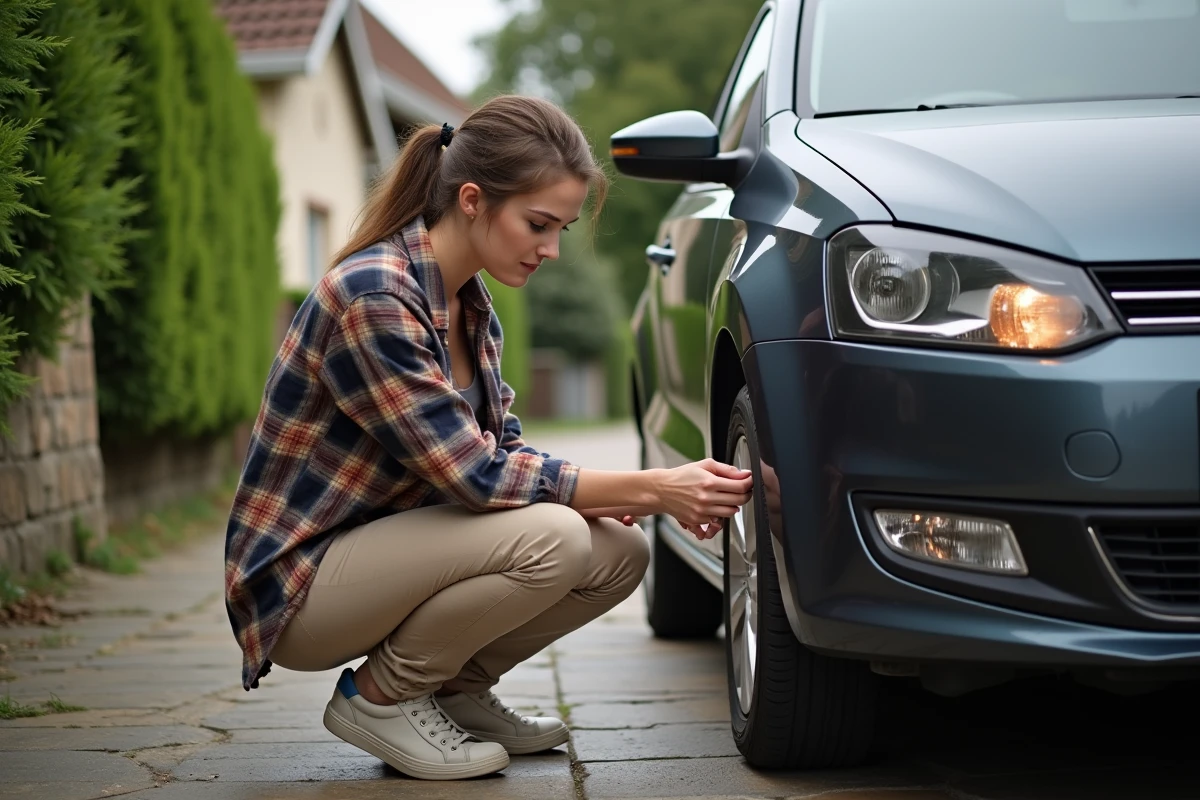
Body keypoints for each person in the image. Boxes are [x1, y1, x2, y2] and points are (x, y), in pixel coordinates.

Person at [223, 94, 754, 781]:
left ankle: (455, 691)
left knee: (617, 551)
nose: (551, 249)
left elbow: (505, 455)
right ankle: (380, 698)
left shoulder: (471, 303)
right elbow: (477, 476)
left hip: (387, 551)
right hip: (301, 583)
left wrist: (609, 499)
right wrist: (653, 487)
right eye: (539, 224)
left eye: (560, 228)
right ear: (472, 199)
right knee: (555, 538)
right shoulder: (376, 296)